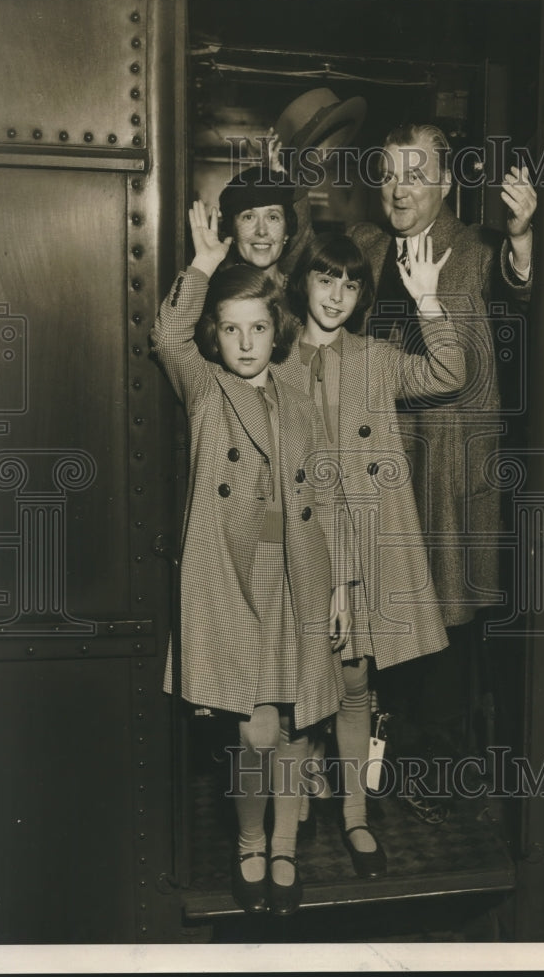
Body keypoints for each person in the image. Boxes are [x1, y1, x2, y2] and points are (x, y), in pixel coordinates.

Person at [150, 203, 351, 916]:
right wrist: (203, 265)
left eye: (258, 327)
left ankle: (287, 849)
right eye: (230, 329)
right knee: (254, 728)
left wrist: (338, 587)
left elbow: (324, 499)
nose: (244, 341)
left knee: (298, 725)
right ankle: (248, 844)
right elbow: (167, 336)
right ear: (217, 335)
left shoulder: (299, 399)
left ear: (278, 331)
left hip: (300, 572)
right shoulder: (206, 388)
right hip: (237, 577)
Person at [349, 123, 537, 822]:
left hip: (448, 467)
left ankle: (437, 773)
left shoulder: (480, 247)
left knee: (446, 619)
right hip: (375, 462)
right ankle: (373, 769)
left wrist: (522, 237)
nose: (398, 188)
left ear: (446, 184)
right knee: (376, 610)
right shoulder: (365, 248)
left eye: (415, 173)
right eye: (388, 172)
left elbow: (527, 289)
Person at [272, 230, 466, 877]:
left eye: (351, 285)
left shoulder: (376, 359)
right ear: (303, 282)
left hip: (361, 556)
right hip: (296, 552)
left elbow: (448, 371)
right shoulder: (269, 361)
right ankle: (287, 822)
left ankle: (354, 815)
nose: (337, 296)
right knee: (300, 694)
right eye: (326, 280)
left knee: (355, 684)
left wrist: (428, 301)